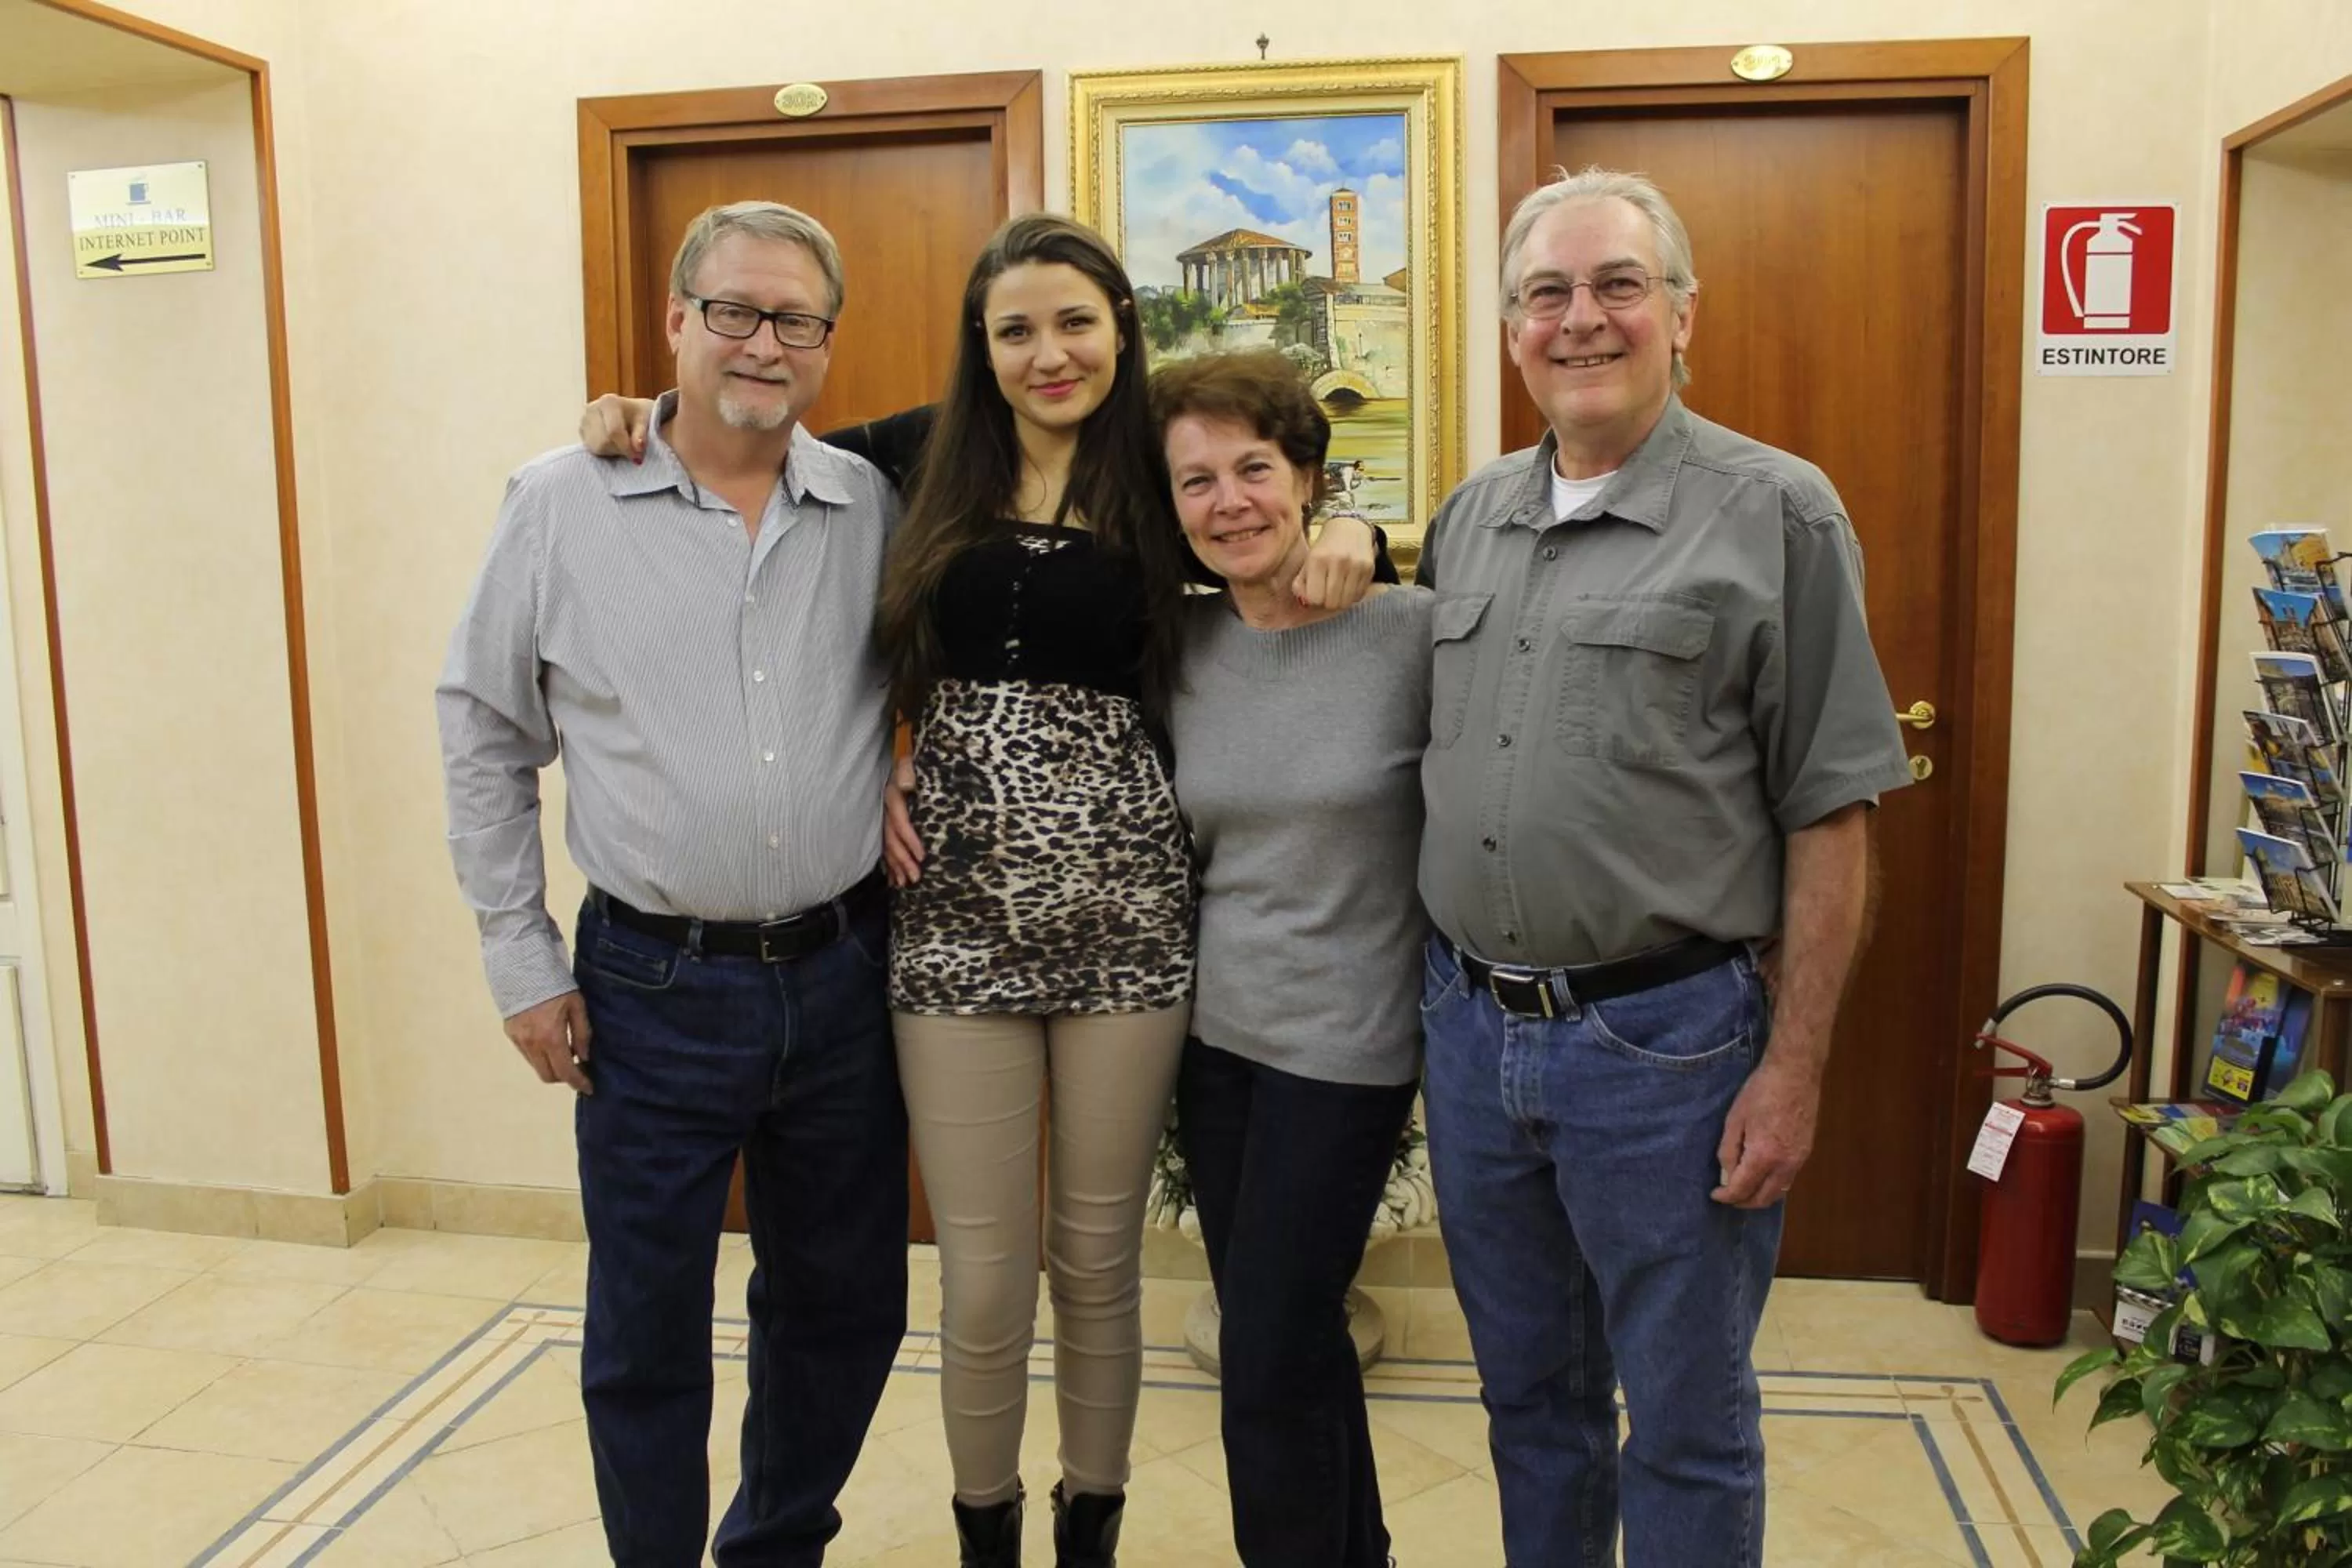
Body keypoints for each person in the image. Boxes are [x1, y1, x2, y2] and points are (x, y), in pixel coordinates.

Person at [1412, 167, 1912, 1568]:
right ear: (1512, 328)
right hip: (1472, 1034)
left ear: (1684, 313)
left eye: (1617, 285)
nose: (1581, 320)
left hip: (1669, 1053)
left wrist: (1796, 1066)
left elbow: (1834, 809)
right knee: (1529, 1402)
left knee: (1685, 1420)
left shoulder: (1778, 514)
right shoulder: (1471, 519)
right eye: (1545, 293)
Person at [437, 201, 909, 1567]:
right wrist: (521, 964)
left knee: (842, 1305)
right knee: (645, 1326)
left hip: (840, 978)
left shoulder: (864, 505)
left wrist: (906, 752)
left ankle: (775, 1547)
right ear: (676, 324)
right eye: (735, 312)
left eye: (796, 320)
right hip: (648, 985)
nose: (764, 344)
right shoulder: (560, 501)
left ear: (828, 341)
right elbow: (480, 732)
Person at [1152, 351, 1432, 1568]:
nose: (1229, 503)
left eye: (1254, 469)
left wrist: (1378, 537)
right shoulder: (1179, 649)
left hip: (1349, 1046)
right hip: (1214, 1050)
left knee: (1263, 1354)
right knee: (1296, 1337)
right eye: (1196, 480)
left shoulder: (1411, 633)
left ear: (1311, 476)